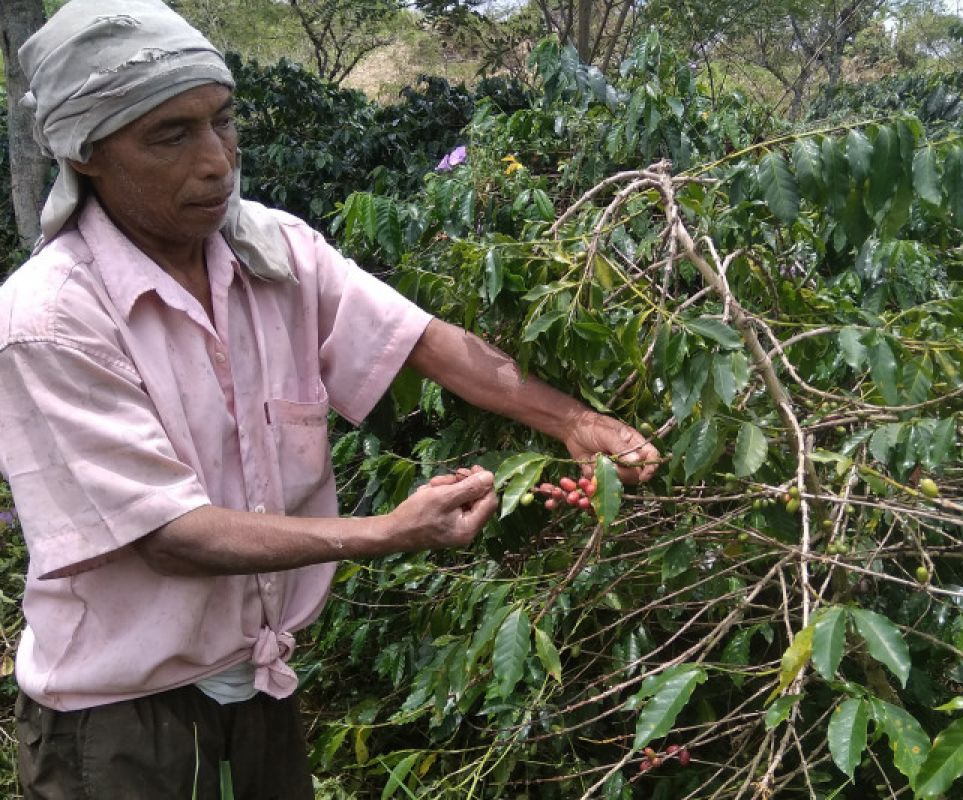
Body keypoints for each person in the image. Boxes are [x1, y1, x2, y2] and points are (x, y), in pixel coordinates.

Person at [0, 1, 659, 797]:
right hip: (123, 727)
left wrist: (575, 422)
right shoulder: (49, 319)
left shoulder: (271, 251)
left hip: (263, 688)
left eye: (224, 121)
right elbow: (170, 536)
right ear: (87, 154)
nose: (217, 161)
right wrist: (389, 531)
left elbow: (420, 338)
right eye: (170, 136)